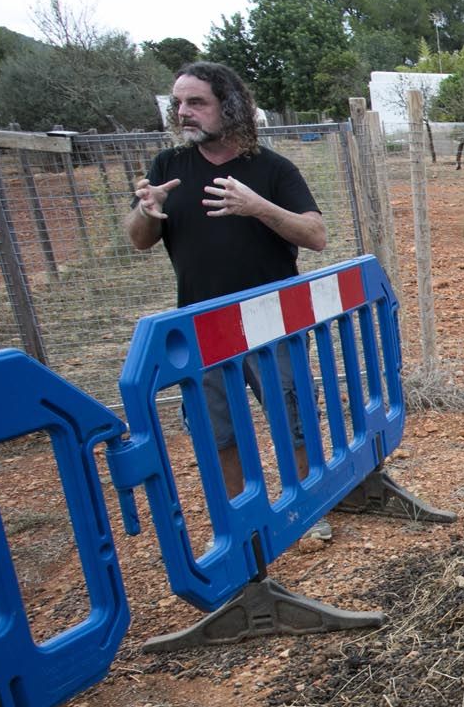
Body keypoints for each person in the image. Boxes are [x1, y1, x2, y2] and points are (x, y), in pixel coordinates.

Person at [127, 62, 328, 504]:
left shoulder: (272, 169)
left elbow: (316, 235)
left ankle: (310, 505)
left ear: (230, 106)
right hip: (202, 323)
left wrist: (259, 207)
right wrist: (146, 210)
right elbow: (140, 241)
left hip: (272, 320)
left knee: (292, 416)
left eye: (197, 102)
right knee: (217, 428)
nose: (184, 112)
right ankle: (241, 512)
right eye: (179, 102)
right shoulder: (168, 166)